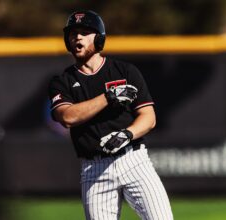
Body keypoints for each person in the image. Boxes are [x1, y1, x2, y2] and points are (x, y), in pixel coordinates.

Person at [48, 10, 173, 220]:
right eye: (73, 33)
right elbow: (67, 116)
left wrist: (127, 134)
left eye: (85, 32)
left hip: (133, 160)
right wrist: (108, 97)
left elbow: (148, 117)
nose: (77, 37)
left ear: (99, 38)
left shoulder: (124, 71)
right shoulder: (63, 81)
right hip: (94, 169)